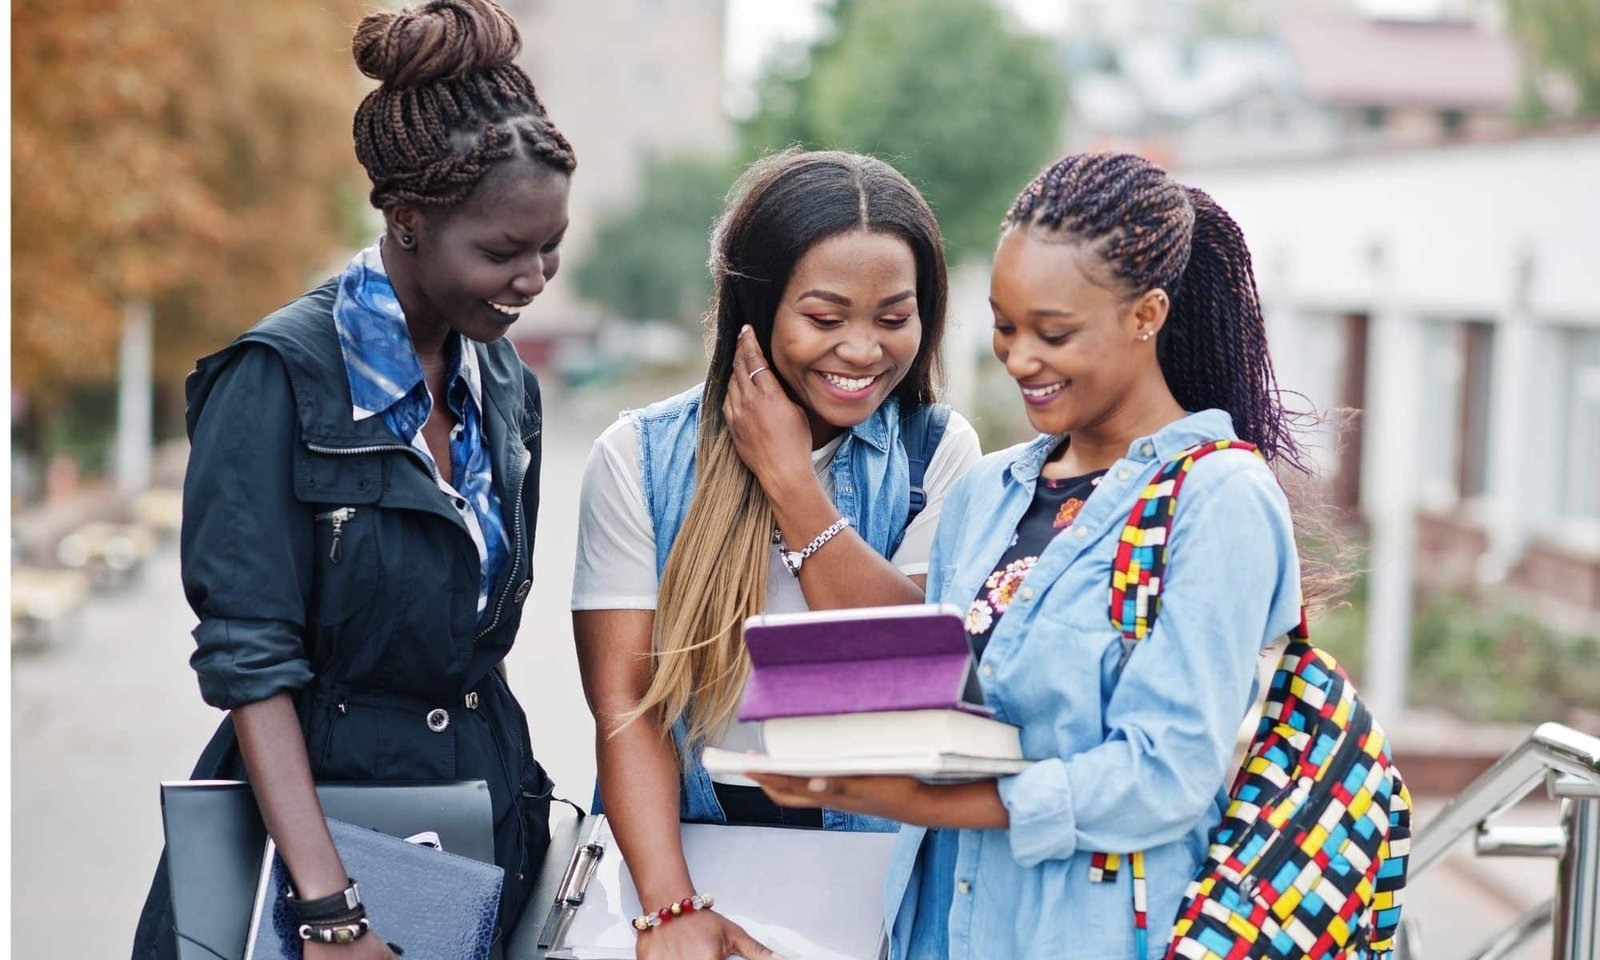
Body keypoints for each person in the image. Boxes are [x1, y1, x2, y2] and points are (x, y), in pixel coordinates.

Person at [751, 151, 1316, 959]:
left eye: (1053, 334)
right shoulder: (988, 493)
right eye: (1005, 326)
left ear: (1146, 315)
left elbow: (1166, 775)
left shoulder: (1217, 499)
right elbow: (952, 708)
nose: (1019, 360)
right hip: (943, 929)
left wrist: (930, 800)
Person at [130, 1, 574, 956]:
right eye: (501, 252)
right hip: (311, 859)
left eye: (549, 248)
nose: (534, 278)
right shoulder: (275, 380)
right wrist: (330, 908)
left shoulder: (506, 383)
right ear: (407, 221)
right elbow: (251, 665)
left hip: (476, 833)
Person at [571, 149, 984, 960]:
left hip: (877, 866)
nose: (863, 351)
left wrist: (794, 486)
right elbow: (628, 706)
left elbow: (900, 676)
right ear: (753, 309)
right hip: (688, 848)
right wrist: (669, 906)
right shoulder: (638, 458)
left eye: (894, 319)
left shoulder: (941, 453)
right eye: (826, 319)